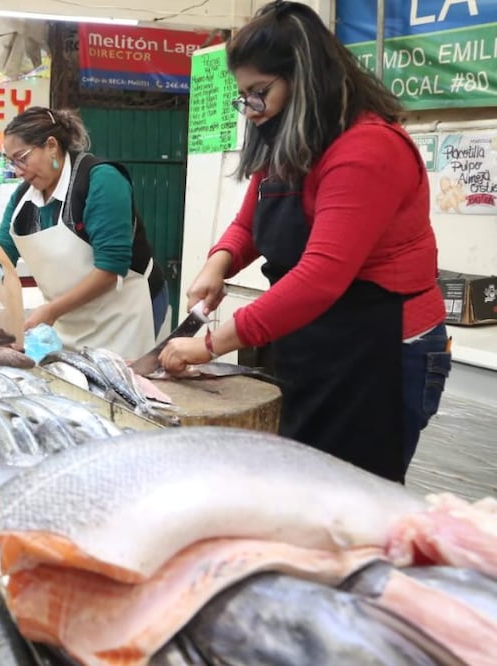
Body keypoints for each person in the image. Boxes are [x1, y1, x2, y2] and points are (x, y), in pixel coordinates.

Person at [159, 0, 450, 483]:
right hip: (319, 339)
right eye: (243, 96)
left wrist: (212, 343)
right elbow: (249, 222)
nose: (250, 110)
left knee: (356, 497)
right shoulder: (293, 143)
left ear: (306, 79)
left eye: (258, 93)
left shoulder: (367, 150)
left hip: (381, 350)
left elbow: (320, 278)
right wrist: (219, 263)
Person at [0, 106, 166, 358]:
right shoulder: (22, 199)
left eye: (22, 157)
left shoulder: (101, 180)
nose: (17, 170)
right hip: (69, 319)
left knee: (122, 389)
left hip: (125, 315)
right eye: (12, 162)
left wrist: (51, 311)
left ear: (51, 146)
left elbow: (110, 269)